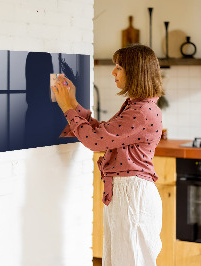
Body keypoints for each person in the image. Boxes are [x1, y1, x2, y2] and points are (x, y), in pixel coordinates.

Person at [52, 44, 164, 266]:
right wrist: (73, 103)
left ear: (135, 72)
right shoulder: (137, 106)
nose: (113, 72)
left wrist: (67, 108)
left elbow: (95, 141)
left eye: (119, 67)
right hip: (127, 193)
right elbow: (103, 133)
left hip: (132, 195)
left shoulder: (141, 111)